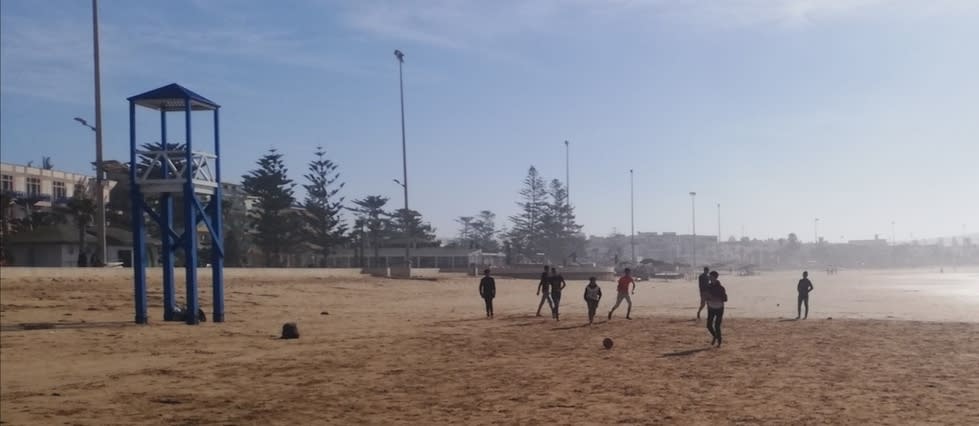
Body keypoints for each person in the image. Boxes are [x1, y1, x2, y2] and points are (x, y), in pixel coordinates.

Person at [705, 271, 727, 347]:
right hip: (711, 308)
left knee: (717, 326)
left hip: (719, 308)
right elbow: (706, 296)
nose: (709, 278)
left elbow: (725, 299)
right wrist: (707, 300)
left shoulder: (721, 288)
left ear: (714, 277)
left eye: (710, 276)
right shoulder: (708, 286)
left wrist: (716, 298)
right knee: (708, 325)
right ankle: (715, 336)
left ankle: (719, 341)